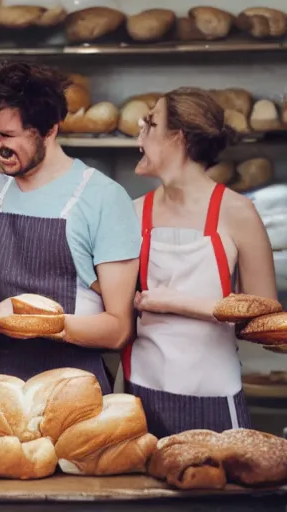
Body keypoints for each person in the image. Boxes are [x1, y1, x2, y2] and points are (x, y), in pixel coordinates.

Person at [0, 61, 141, 392]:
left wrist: (32, 321)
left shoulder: (103, 198)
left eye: (7, 136)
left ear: (49, 130)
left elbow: (118, 330)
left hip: (73, 388)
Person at [122, 87, 277, 437]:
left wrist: (172, 302)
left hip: (215, 392)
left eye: (150, 123)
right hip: (140, 391)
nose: (140, 133)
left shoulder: (238, 212)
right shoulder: (132, 213)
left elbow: (265, 315)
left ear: (179, 137)